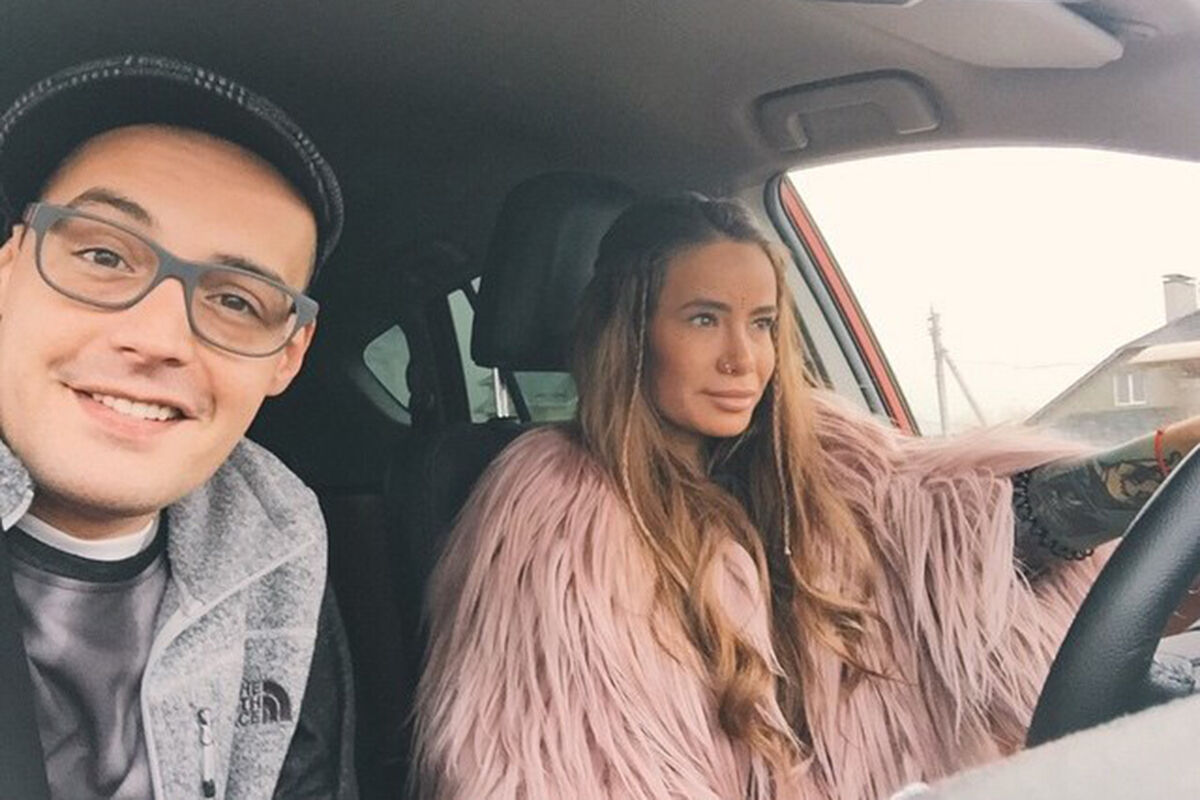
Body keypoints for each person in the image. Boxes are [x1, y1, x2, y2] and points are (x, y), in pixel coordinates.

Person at [413, 195, 1200, 800]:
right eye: (703, 319)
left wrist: (1168, 456)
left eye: (761, 324)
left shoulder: (823, 469)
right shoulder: (556, 516)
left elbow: (976, 530)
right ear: (631, 332)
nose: (743, 358)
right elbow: (564, 770)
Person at [0, 56, 355, 799]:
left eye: (235, 301)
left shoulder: (278, 541)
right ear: (6, 271)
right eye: (103, 255)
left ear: (287, 358)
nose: (158, 336)